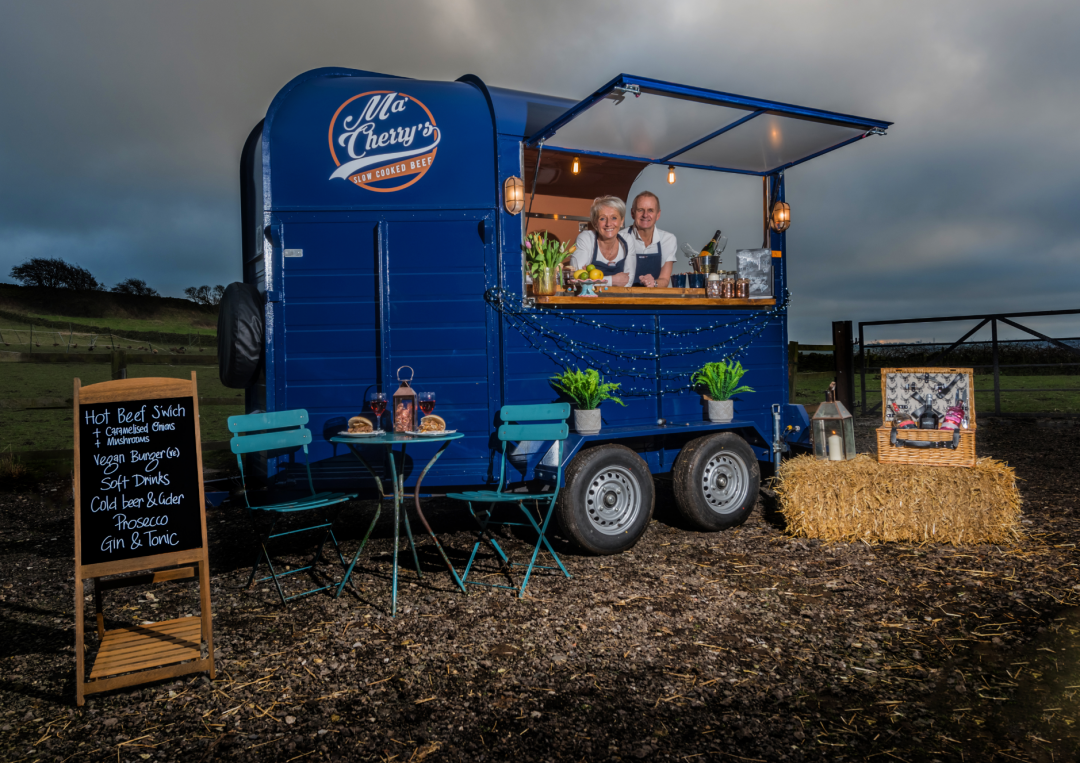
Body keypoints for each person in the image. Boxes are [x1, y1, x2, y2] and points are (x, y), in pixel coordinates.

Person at [569, 196, 634, 287]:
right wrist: (612, 280)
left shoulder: (627, 240)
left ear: (622, 221)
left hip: (619, 299)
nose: (608, 224)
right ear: (595, 222)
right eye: (602, 218)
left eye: (614, 218)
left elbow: (628, 281)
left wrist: (593, 281)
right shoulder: (586, 238)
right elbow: (577, 279)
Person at [624, 191, 677, 288]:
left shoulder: (668, 239)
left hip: (654, 300)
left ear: (658, 214)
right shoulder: (620, 238)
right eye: (640, 210)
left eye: (650, 210)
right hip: (624, 299)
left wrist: (653, 283)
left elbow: (664, 280)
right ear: (632, 213)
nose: (645, 215)